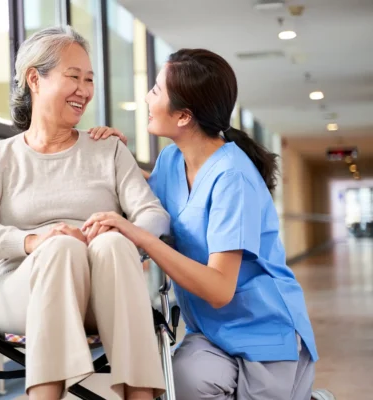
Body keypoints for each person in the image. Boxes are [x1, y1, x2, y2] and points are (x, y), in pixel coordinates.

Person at [84, 48, 321, 400]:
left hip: (265, 334)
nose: (148, 97)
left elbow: (219, 288)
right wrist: (114, 156)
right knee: (185, 379)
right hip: (212, 333)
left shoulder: (232, 177)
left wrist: (141, 237)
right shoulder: (171, 160)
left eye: (156, 90)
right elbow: (145, 199)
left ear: (183, 116)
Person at [0, 26, 170, 400]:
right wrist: (34, 241)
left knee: (114, 243)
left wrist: (120, 231)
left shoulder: (109, 150)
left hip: (102, 295)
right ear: (35, 79)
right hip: (22, 291)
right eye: (73, 77)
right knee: (60, 248)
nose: (84, 90)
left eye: (89, 79)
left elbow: (154, 215)